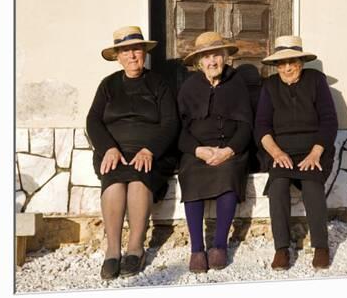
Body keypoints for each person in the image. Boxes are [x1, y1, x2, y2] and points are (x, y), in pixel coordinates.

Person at [86, 26, 179, 280]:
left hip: (152, 153)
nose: (132, 55)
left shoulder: (159, 84)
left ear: (144, 52)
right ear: (118, 56)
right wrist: (108, 148)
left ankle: (136, 248)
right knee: (114, 182)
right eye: (125, 51)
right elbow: (93, 120)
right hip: (114, 151)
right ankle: (113, 250)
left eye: (136, 49)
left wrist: (150, 150)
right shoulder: (108, 85)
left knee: (139, 179)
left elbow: (171, 122)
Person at [254, 35, 338, 270]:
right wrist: (276, 153)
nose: (288, 67)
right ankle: (281, 249)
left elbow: (329, 121)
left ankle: (321, 246)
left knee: (312, 185)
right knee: (278, 186)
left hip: (314, 149)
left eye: (293, 62)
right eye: (283, 63)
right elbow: (261, 125)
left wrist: (316, 153)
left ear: (301, 62)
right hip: (281, 151)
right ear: (276, 65)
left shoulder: (316, 81)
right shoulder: (270, 86)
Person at [177, 32, 253, 273]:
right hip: (198, 150)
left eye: (216, 56)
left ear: (225, 58)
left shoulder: (237, 83)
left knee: (229, 173)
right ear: (199, 63)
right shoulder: (189, 87)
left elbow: (246, 125)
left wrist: (229, 150)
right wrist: (198, 150)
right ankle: (197, 249)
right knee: (190, 173)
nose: (212, 62)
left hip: (230, 148)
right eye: (206, 57)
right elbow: (179, 128)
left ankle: (219, 245)